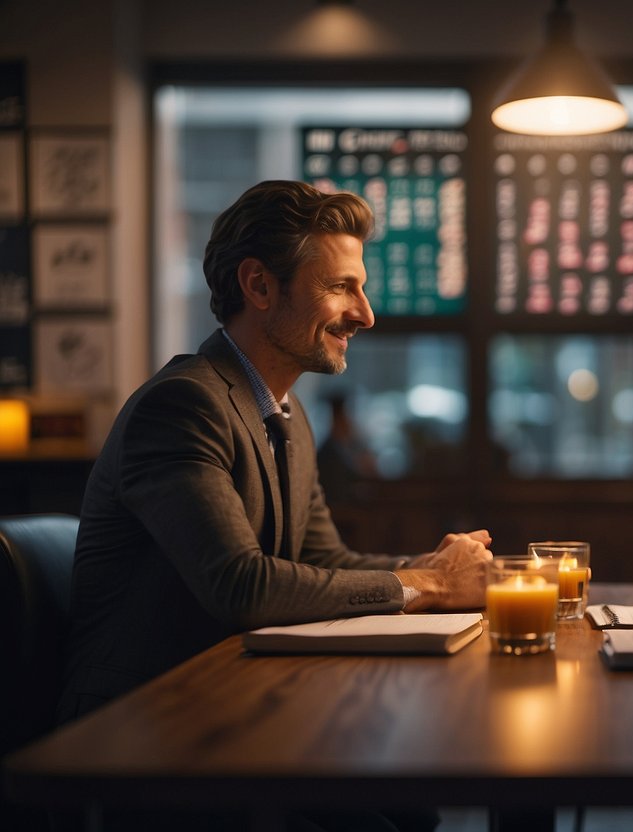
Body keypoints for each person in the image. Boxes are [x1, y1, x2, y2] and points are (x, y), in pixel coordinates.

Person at [58, 181, 492, 831]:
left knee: (412, 807)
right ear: (259, 286)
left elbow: (323, 559)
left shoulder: (284, 415)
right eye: (341, 287)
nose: (364, 314)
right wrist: (427, 583)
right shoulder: (182, 407)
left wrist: (436, 570)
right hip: (143, 740)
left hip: (233, 713)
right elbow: (240, 586)